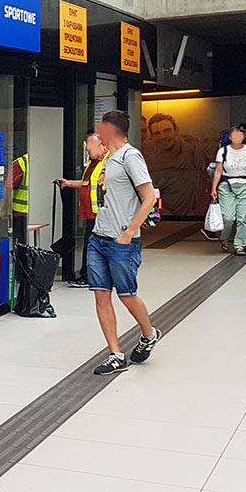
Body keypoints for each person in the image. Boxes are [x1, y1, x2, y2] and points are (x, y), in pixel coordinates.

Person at [87, 110, 161, 376]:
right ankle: (116, 354)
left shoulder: (131, 156)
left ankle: (149, 333)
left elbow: (149, 196)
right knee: (101, 295)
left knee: (127, 295)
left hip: (121, 241)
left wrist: (129, 232)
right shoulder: (109, 158)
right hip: (99, 237)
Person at [55, 130, 109, 288]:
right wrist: (68, 183)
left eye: (89, 149)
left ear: (101, 145)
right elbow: (87, 184)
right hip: (89, 214)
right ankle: (88, 275)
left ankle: (87, 276)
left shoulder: (107, 162)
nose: (87, 152)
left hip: (99, 214)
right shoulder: (93, 164)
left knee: (93, 246)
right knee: (90, 244)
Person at [141, 112, 207, 217]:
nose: (163, 136)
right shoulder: (150, 164)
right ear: (152, 137)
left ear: (176, 130)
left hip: (199, 218)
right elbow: (147, 197)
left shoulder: (194, 152)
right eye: (157, 133)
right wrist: (168, 217)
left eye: (167, 131)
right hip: (171, 221)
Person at [210, 127, 246, 255]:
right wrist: (214, 188)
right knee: (228, 218)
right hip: (226, 186)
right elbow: (218, 170)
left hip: (244, 185)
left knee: (242, 219)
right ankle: (224, 237)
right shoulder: (223, 151)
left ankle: (239, 245)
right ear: (230, 138)